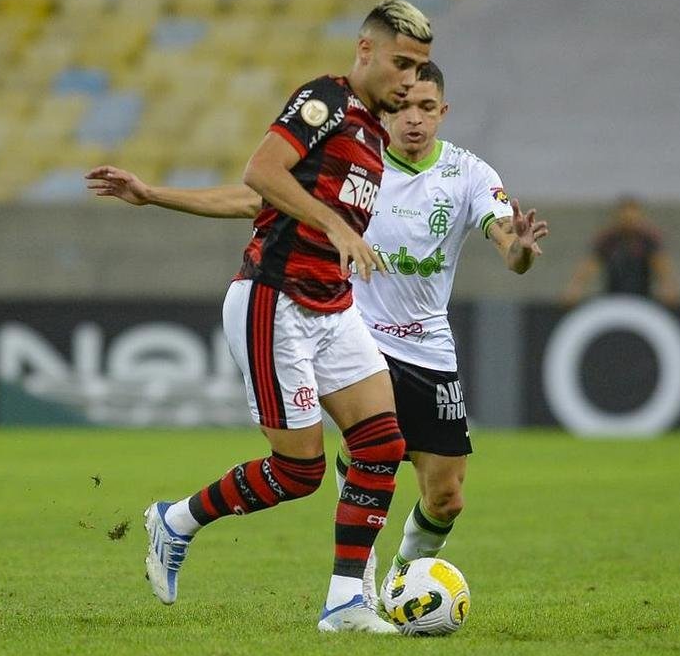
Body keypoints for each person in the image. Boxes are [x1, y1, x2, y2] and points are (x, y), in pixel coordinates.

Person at [86, 60, 549, 608]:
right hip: (354, 332)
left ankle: (404, 580)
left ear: (443, 112)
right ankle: (354, 596)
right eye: (404, 107)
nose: (414, 119)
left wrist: (518, 249)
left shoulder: (469, 173)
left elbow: (507, 243)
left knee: (446, 497)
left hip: (429, 347)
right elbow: (256, 198)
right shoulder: (355, 156)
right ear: (388, 105)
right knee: (356, 458)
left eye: (427, 108)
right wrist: (155, 194)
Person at [122, 0, 432, 634]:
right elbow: (261, 171)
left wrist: (159, 195)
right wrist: (335, 225)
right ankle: (175, 520)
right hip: (274, 298)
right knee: (300, 472)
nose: (409, 79)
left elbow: (254, 198)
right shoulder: (326, 100)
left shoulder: (374, 134)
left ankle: (345, 604)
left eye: (420, 68)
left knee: (381, 443)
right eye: (401, 62)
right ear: (365, 49)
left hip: (332, 305)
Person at [560, 195, 679, 306]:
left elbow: (661, 266)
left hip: (643, 298)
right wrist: (575, 287)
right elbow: (589, 266)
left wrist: (668, 287)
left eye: (633, 217)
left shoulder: (648, 239)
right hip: (612, 298)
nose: (629, 221)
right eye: (625, 217)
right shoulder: (609, 240)